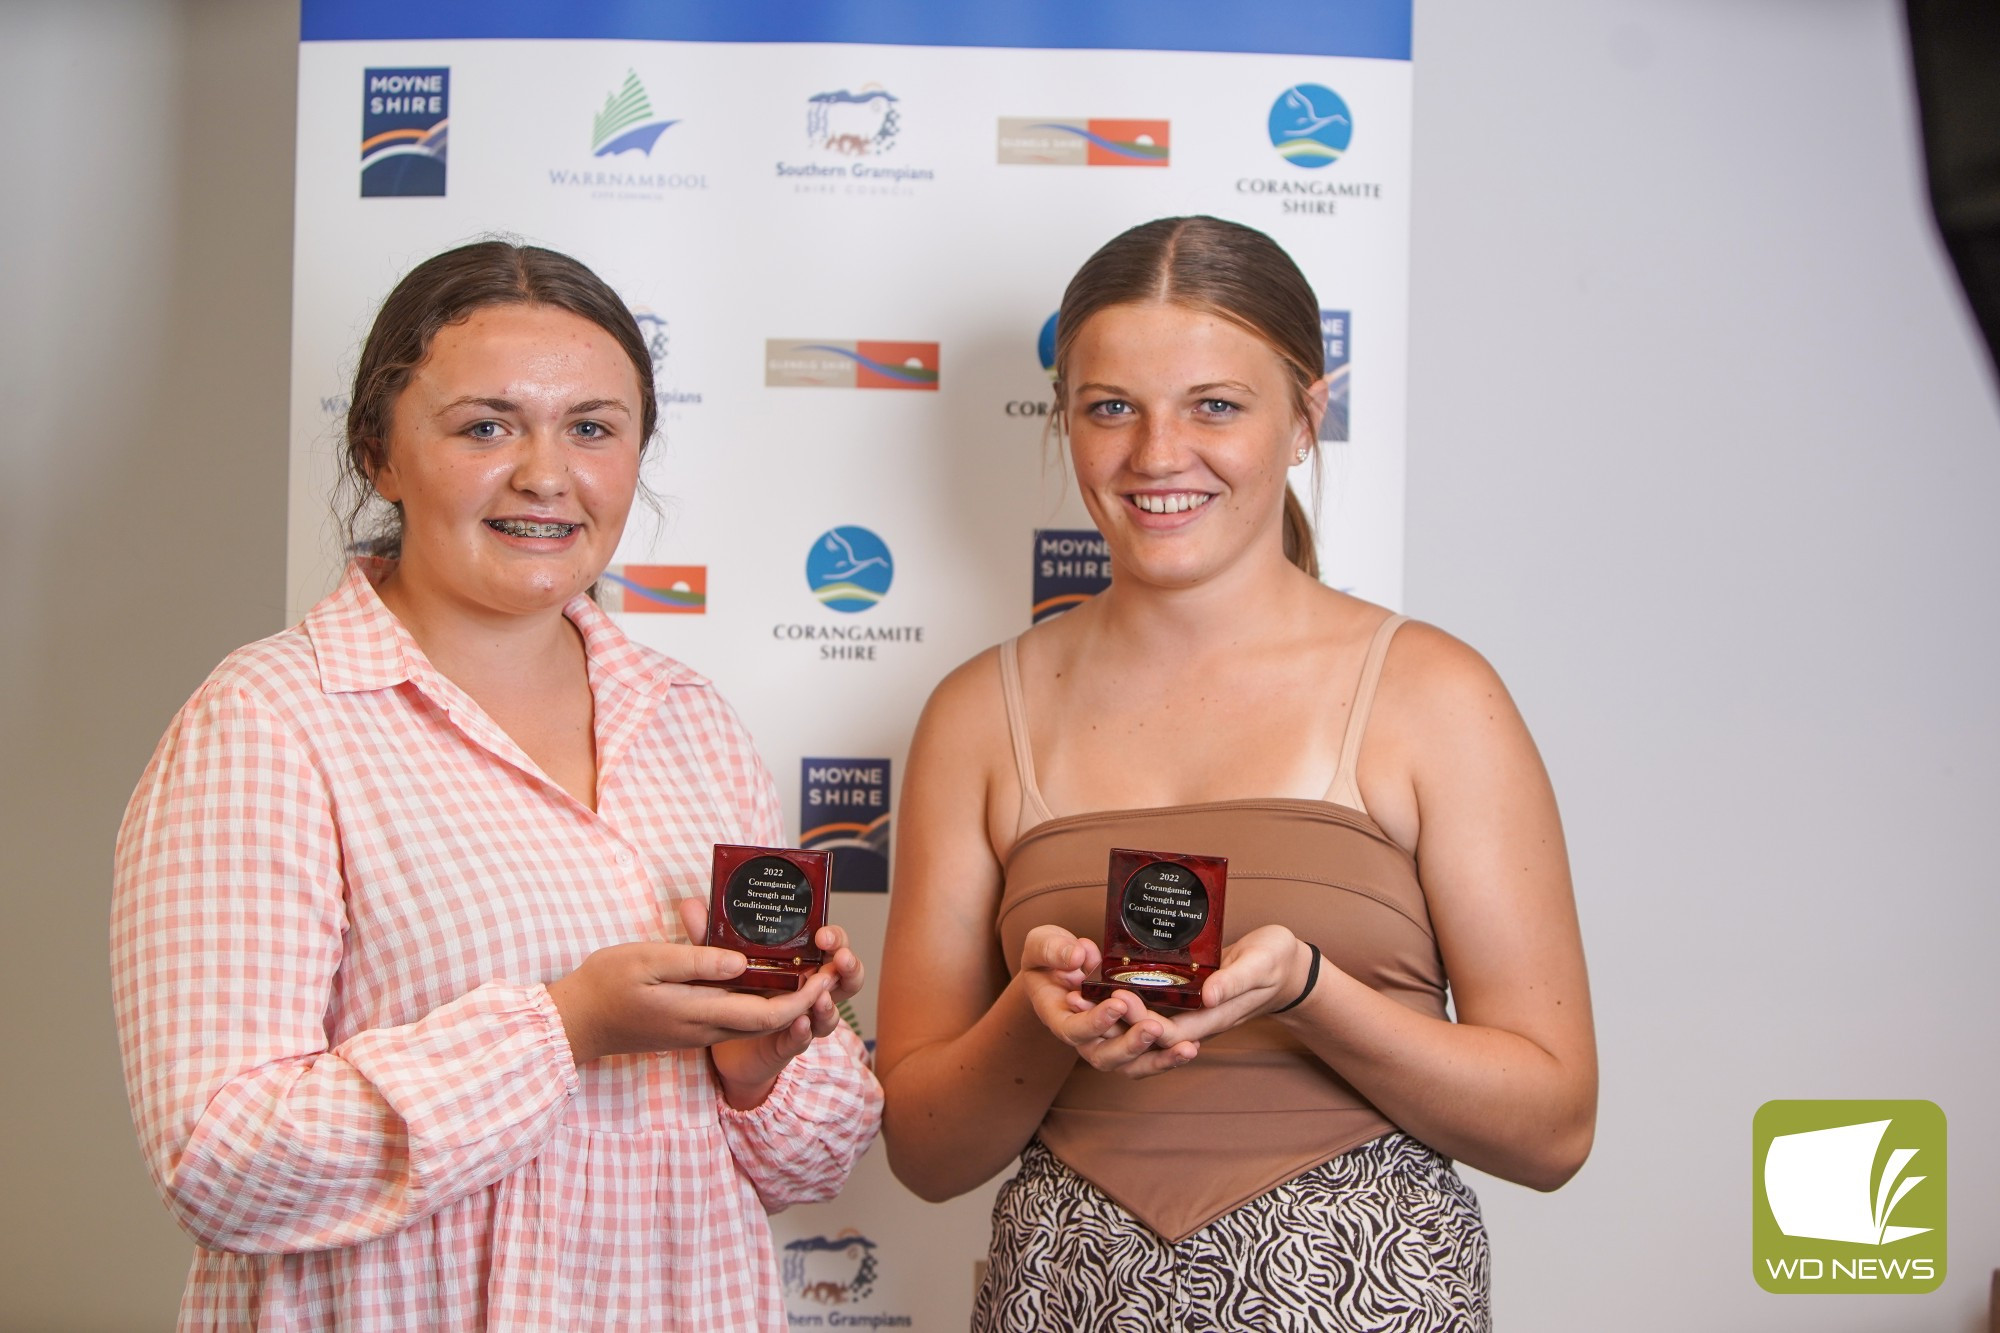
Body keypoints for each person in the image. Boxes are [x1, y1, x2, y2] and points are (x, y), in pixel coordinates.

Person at [111, 241, 881, 1332]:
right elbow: (220, 1160)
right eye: (485, 425)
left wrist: (756, 1069)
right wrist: (563, 1027)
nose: (544, 473)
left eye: (592, 427)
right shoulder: (269, 722)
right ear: (378, 452)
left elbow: (817, 1159)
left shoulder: (692, 722)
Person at [875, 216, 1596, 1331]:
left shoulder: (1432, 693)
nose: (1157, 453)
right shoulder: (977, 714)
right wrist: (1033, 1015)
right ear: (1062, 420)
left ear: (1305, 416)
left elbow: (1550, 1130)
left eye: (1215, 403)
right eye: (1110, 406)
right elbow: (923, 1153)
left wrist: (1310, 991)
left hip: (1362, 1288)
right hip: (1067, 1292)